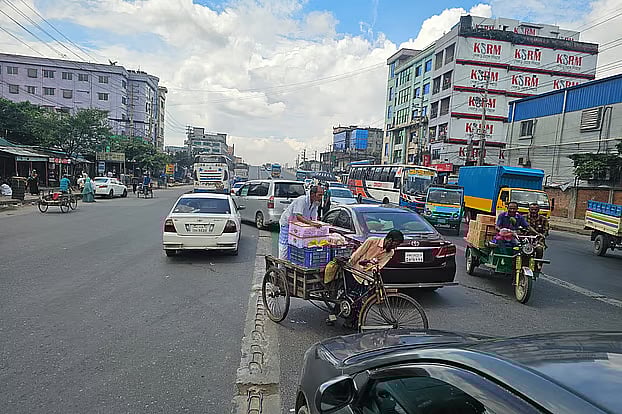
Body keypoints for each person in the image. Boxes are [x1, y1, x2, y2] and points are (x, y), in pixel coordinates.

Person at [278, 185, 324, 259]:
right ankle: (281, 265)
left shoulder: (315, 203)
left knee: (297, 244)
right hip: (288, 223)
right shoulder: (302, 200)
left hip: (299, 225)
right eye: (319, 195)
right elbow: (298, 216)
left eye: (322, 195)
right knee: (285, 245)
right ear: (312, 194)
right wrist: (311, 223)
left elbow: (314, 218)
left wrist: (318, 225)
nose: (321, 197)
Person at [526, 202, 549, 266]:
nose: (533, 211)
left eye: (535, 210)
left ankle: (538, 263)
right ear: (529, 210)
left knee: (539, 249)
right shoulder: (523, 218)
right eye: (532, 209)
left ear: (538, 210)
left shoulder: (544, 219)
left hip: (538, 240)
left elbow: (546, 231)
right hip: (525, 240)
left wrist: (541, 236)